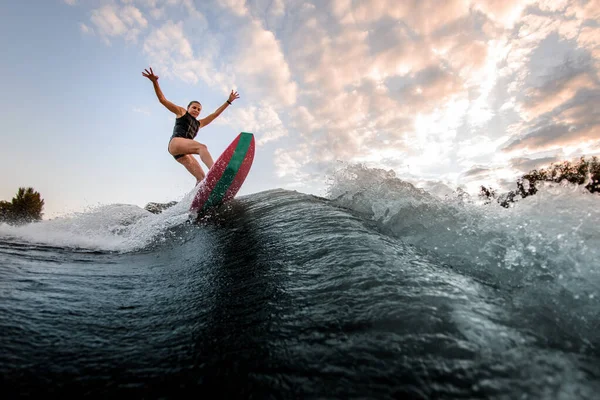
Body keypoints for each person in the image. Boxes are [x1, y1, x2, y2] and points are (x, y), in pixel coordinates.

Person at [142, 67, 240, 184]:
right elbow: (162, 100)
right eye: (194, 107)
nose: (196, 110)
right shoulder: (181, 112)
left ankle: (196, 199)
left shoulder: (199, 123)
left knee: (201, 178)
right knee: (202, 147)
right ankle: (217, 174)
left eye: (199, 109)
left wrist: (228, 102)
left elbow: (214, 115)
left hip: (182, 153)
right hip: (176, 143)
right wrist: (155, 82)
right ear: (188, 108)